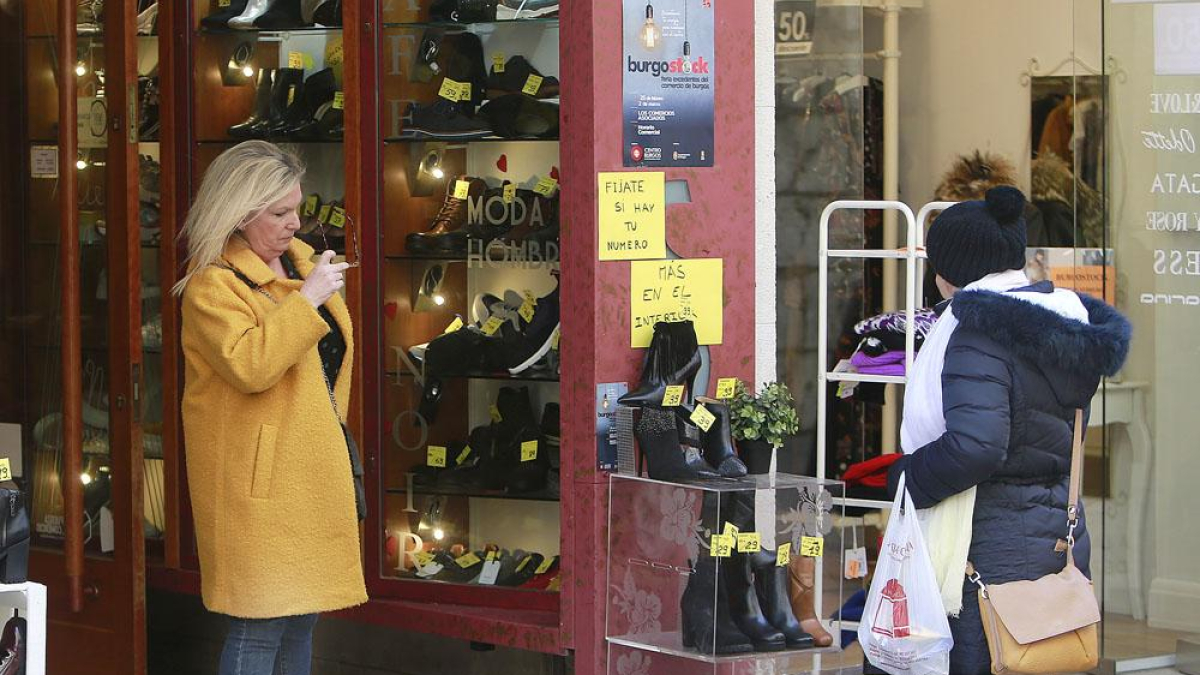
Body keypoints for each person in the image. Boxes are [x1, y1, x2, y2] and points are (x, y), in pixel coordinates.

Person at [887, 186, 1130, 675]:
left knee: (983, 660)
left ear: (949, 270)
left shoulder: (979, 330)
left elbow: (977, 446)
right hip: (1056, 530)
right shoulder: (1063, 320)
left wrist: (907, 480)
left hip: (987, 541)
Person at [173, 141, 366, 675]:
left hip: (308, 470)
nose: (294, 223)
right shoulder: (211, 286)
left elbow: (326, 365)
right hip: (255, 485)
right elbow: (251, 366)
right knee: (258, 624)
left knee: (301, 618)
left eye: (297, 208)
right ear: (238, 214)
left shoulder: (302, 264)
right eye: (279, 212)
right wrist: (306, 301)